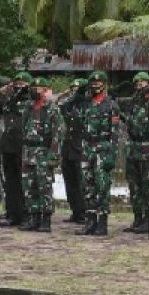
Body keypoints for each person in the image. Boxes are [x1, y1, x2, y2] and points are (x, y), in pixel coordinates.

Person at [76, 71, 123, 236]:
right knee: (87, 185)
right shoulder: (85, 104)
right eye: (93, 83)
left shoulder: (111, 105)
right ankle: (90, 221)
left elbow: (115, 134)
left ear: (104, 85)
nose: (95, 86)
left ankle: (102, 223)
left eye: (99, 83)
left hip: (103, 148)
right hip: (87, 147)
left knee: (102, 186)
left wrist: (112, 155)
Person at [0, 71, 33, 228]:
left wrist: (30, 90)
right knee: (11, 182)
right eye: (17, 83)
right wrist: (2, 90)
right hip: (8, 146)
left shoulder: (32, 102)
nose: (19, 86)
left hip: (24, 146)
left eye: (23, 83)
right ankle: (13, 214)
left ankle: (27, 214)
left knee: (25, 182)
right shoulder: (8, 101)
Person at [20, 77, 63, 232]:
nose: (34, 90)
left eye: (38, 88)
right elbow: (23, 129)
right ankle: (33, 217)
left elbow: (58, 134)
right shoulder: (28, 108)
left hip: (44, 152)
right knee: (29, 186)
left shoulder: (52, 109)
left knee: (44, 186)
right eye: (33, 87)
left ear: (46, 90)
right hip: (28, 152)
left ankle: (46, 219)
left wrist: (53, 155)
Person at [120, 72, 149, 234]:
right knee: (134, 185)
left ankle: (147, 220)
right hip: (133, 146)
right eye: (137, 83)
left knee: (147, 185)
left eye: (143, 82)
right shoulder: (134, 101)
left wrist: (130, 121)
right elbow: (129, 122)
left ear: (148, 83)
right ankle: (137, 218)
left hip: (147, 147)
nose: (140, 85)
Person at [58, 78, 88, 223]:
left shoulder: (87, 105)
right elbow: (60, 106)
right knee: (69, 181)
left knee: (81, 182)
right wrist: (67, 94)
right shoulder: (70, 105)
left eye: (77, 90)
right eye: (72, 89)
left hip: (80, 148)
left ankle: (84, 212)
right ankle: (75, 210)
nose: (74, 92)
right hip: (68, 148)